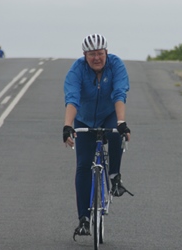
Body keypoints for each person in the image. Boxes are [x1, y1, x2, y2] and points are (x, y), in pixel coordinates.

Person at [63, 34, 132, 237]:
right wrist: (67, 126)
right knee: (83, 165)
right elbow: (72, 98)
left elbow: (119, 93)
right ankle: (83, 219)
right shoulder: (77, 70)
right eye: (91, 54)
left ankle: (114, 177)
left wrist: (121, 123)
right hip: (84, 119)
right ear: (84, 55)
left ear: (106, 53)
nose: (96, 58)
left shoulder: (116, 65)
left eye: (100, 53)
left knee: (115, 134)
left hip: (109, 114)